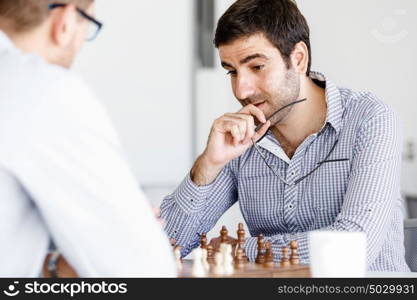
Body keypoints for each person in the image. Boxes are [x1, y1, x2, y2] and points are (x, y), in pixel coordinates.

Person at [161, 0, 410, 272]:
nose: (241, 90)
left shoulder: (370, 119)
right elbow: (165, 245)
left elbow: (353, 248)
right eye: (232, 71)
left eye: (256, 67)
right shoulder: (241, 136)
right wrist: (208, 164)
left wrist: (244, 249)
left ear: (298, 58)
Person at [0, 0, 176, 277]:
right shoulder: (42, 90)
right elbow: (144, 271)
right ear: (66, 22)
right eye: (89, 26)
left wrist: (53, 267)